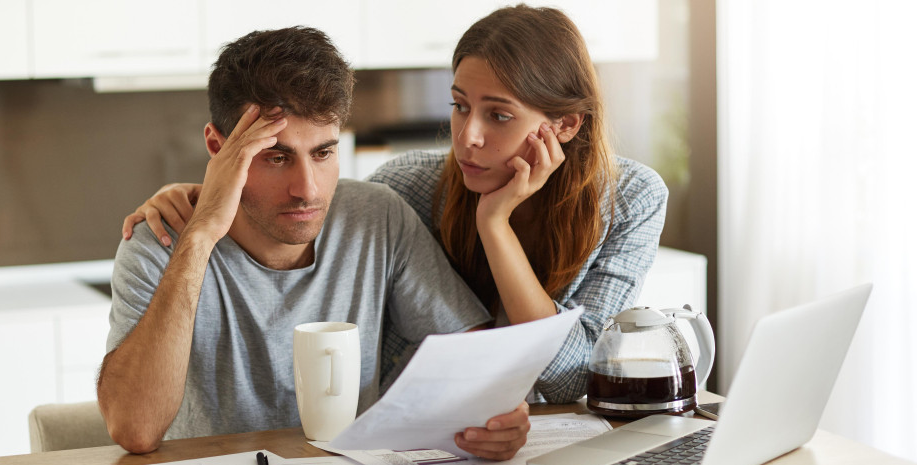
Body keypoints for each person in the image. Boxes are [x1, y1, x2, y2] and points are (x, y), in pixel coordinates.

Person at [120, 5, 668, 404]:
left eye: (498, 116)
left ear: (565, 125)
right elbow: (303, 206)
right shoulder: (406, 188)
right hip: (426, 437)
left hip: (533, 433)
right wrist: (206, 196)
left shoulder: (631, 201)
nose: (468, 137)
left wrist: (494, 224)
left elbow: (569, 378)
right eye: (458, 107)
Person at [100, 26, 532, 460]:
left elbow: (477, 363)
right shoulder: (158, 241)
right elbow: (135, 430)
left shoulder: (376, 216)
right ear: (218, 146)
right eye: (276, 157)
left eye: (323, 153)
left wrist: (497, 417)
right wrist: (200, 236)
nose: (306, 189)